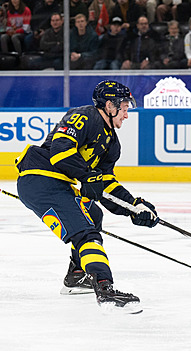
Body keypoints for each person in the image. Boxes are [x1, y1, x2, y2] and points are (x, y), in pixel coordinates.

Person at [15, 80, 159, 313]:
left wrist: (133, 206)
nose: (126, 114)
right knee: (86, 232)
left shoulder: (112, 143)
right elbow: (61, 151)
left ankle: (77, 276)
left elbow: (105, 184)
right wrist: (87, 176)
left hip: (59, 184)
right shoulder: (84, 116)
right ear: (109, 106)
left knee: (93, 214)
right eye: (123, 107)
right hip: (40, 178)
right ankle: (104, 287)